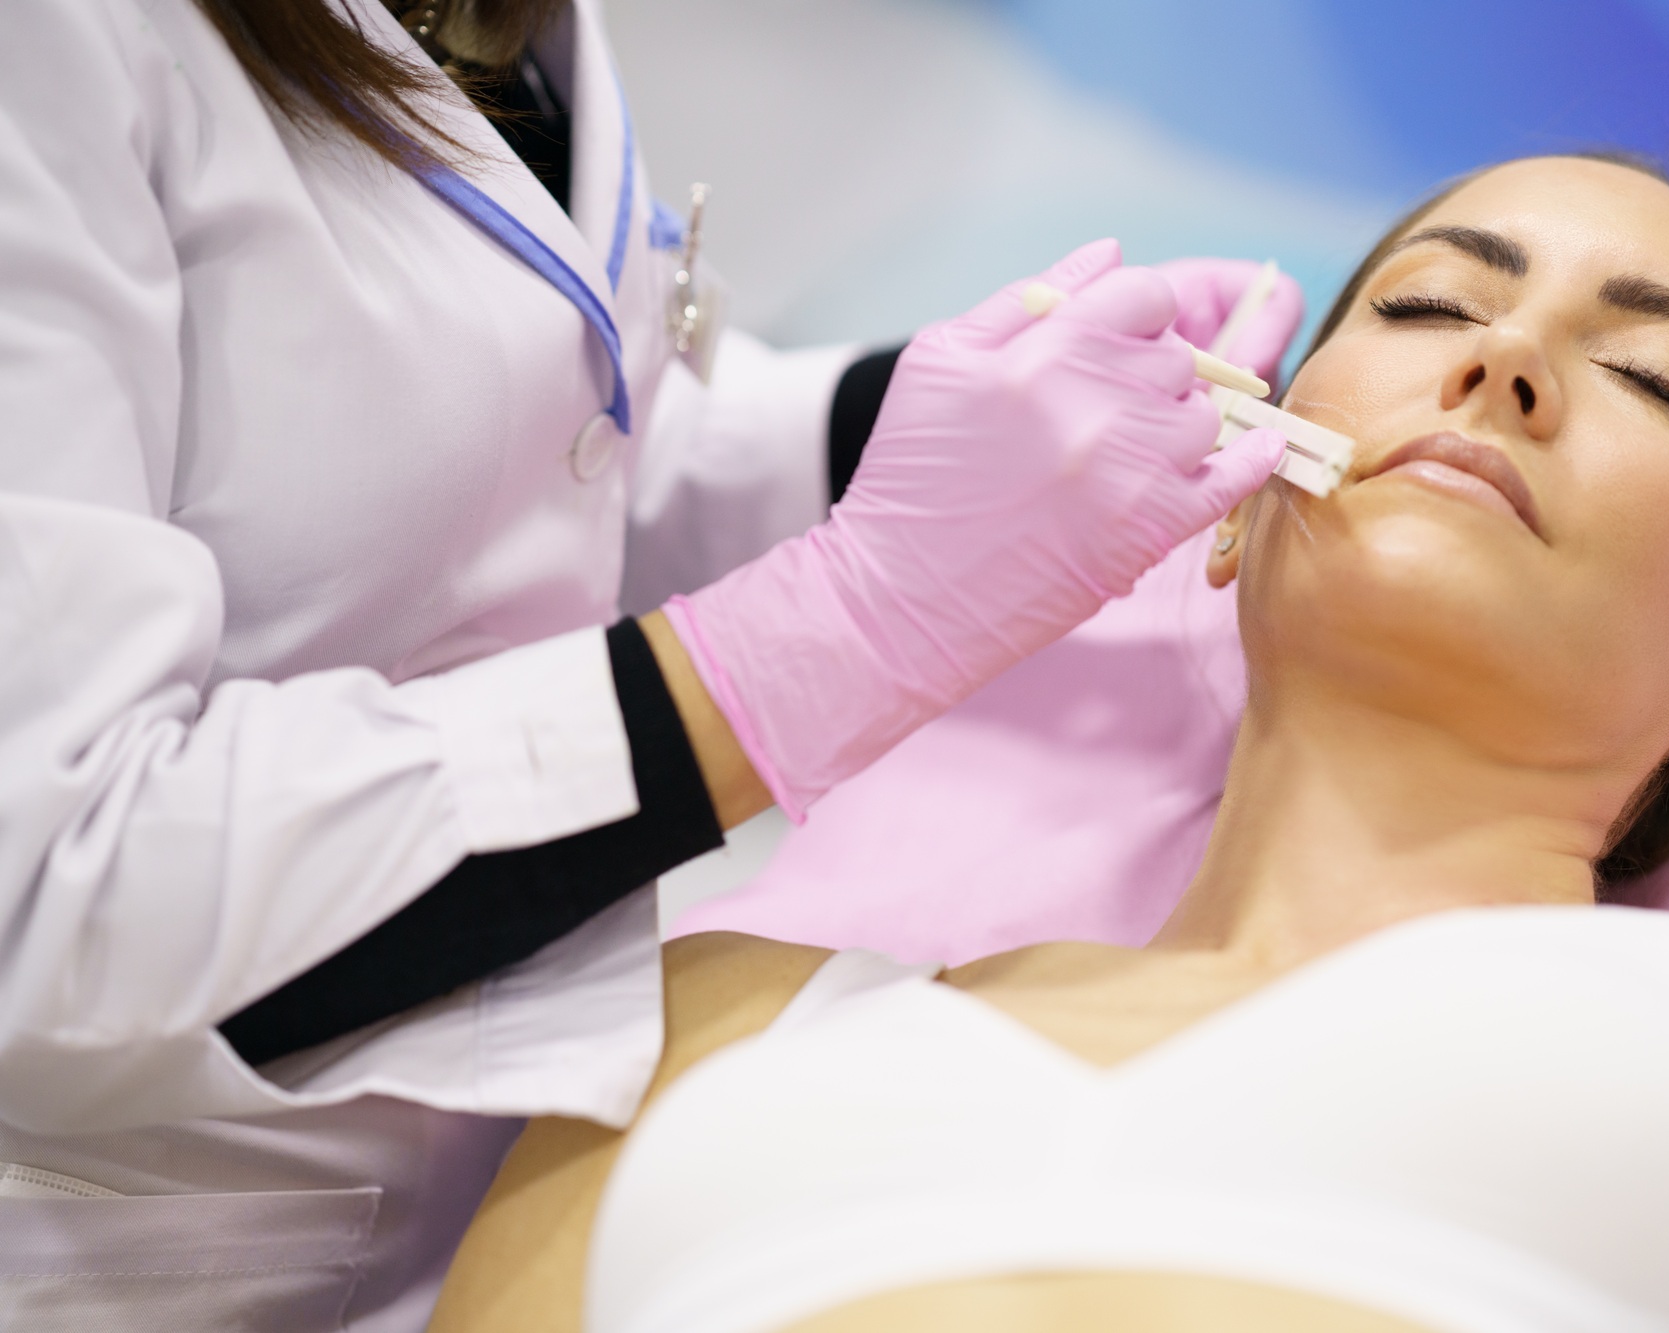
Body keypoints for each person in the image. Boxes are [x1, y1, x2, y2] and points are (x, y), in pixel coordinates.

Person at [430, 154, 1669, 1333]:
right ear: (1237, 511)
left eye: (1655, 379)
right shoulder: (711, 1015)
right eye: (1430, 303)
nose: (1502, 360)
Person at [0, 1, 1301, 1328]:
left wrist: (899, 424)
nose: (1493, 370)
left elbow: (543, 455)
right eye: (1429, 298)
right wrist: (832, 630)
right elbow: (53, 888)